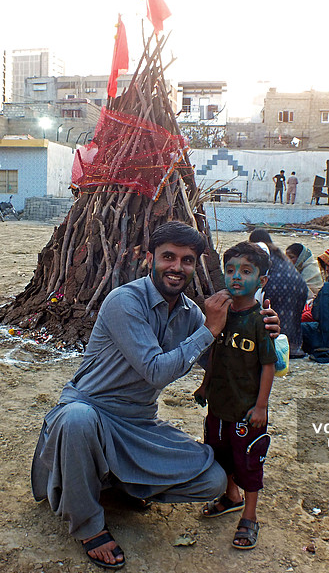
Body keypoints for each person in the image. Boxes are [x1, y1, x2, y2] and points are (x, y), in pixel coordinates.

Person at [30, 221, 281, 569]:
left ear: (196, 266)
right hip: (90, 412)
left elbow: (220, 360)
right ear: (150, 259)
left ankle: (116, 484)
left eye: (187, 260)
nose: (177, 267)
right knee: (77, 419)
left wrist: (261, 330)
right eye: (169, 257)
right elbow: (157, 370)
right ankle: (89, 525)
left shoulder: (192, 314)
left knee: (213, 480)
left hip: (139, 423)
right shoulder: (124, 301)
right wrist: (210, 329)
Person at [194, 242, 277, 550]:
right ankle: (230, 496)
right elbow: (214, 352)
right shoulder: (221, 314)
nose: (236, 278)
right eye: (230, 271)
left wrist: (261, 406)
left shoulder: (260, 321)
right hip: (219, 404)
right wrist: (205, 384)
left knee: (249, 461)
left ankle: (250, 516)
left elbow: (268, 366)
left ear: (262, 281)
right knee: (221, 453)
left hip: (246, 410)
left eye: (245, 271)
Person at [249, 229, 308, 358]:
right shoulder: (278, 254)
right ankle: (292, 346)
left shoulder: (260, 252)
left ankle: (276, 346)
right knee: (291, 318)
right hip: (299, 286)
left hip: (276, 286)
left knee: (275, 317)